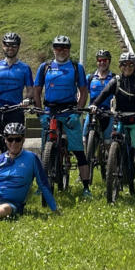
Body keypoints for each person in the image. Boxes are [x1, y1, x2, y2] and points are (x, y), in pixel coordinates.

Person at [34, 35, 91, 197]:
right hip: (50, 112)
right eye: (58, 47)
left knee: (78, 151)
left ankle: (86, 187)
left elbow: (83, 92)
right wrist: (40, 114)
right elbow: (37, 91)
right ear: (53, 49)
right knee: (45, 150)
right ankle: (42, 185)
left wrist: (77, 112)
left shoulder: (76, 67)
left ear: (69, 50)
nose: (61, 51)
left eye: (65, 48)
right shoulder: (45, 67)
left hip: (69, 111)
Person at [90, 52, 135, 195]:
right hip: (120, 119)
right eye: (124, 64)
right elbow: (104, 94)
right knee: (114, 146)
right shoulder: (116, 81)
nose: (127, 67)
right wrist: (94, 104)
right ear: (120, 66)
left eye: (131, 64)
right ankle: (113, 177)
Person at [0, 32, 33, 132]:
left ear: (18, 47)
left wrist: (27, 99)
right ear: (3, 46)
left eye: (14, 45)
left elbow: (30, 90)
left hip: (16, 110)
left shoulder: (25, 68)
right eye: (7, 45)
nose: (10, 48)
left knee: (15, 139)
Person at [83, 49, 116, 147]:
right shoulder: (90, 78)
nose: (102, 62)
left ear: (109, 61)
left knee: (107, 142)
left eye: (105, 60)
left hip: (108, 113)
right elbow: (83, 93)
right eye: (100, 60)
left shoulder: (114, 78)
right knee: (84, 138)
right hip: (92, 111)